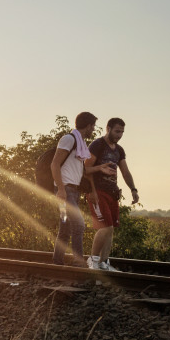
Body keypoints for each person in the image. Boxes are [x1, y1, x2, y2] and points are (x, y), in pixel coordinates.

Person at [51, 112, 112, 266]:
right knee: (79, 224)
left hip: (73, 191)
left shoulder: (81, 144)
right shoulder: (69, 139)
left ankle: (57, 262)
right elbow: (55, 164)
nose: (93, 130)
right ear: (88, 126)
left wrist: (100, 168)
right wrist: (61, 189)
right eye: (93, 126)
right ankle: (79, 262)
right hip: (65, 190)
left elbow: (83, 171)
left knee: (65, 229)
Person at [85, 118, 140, 270]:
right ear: (108, 128)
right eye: (117, 131)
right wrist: (92, 191)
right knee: (105, 227)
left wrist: (133, 189)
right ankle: (93, 260)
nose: (120, 135)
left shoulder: (119, 150)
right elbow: (86, 169)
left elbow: (125, 172)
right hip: (98, 191)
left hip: (112, 192)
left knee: (111, 228)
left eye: (122, 132)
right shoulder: (98, 145)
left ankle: (103, 263)